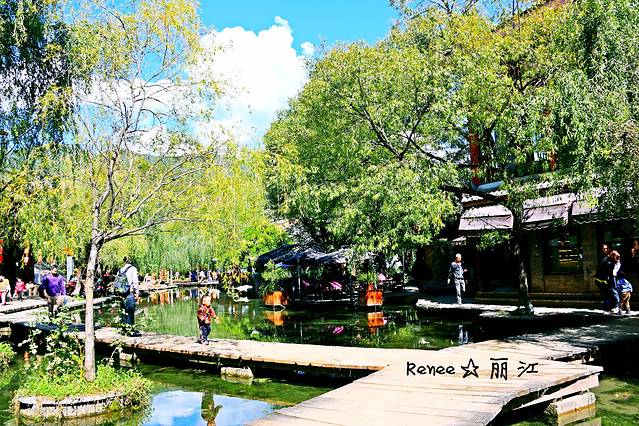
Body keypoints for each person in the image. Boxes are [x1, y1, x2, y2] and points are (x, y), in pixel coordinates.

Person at [118, 257, 140, 335]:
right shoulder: (132, 269)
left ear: (124, 261)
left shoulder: (120, 270)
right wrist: (137, 292)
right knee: (130, 312)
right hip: (129, 293)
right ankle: (131, 330)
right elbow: (135, 281)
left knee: (123, 312)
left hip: (121, 293)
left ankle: (124, 329)